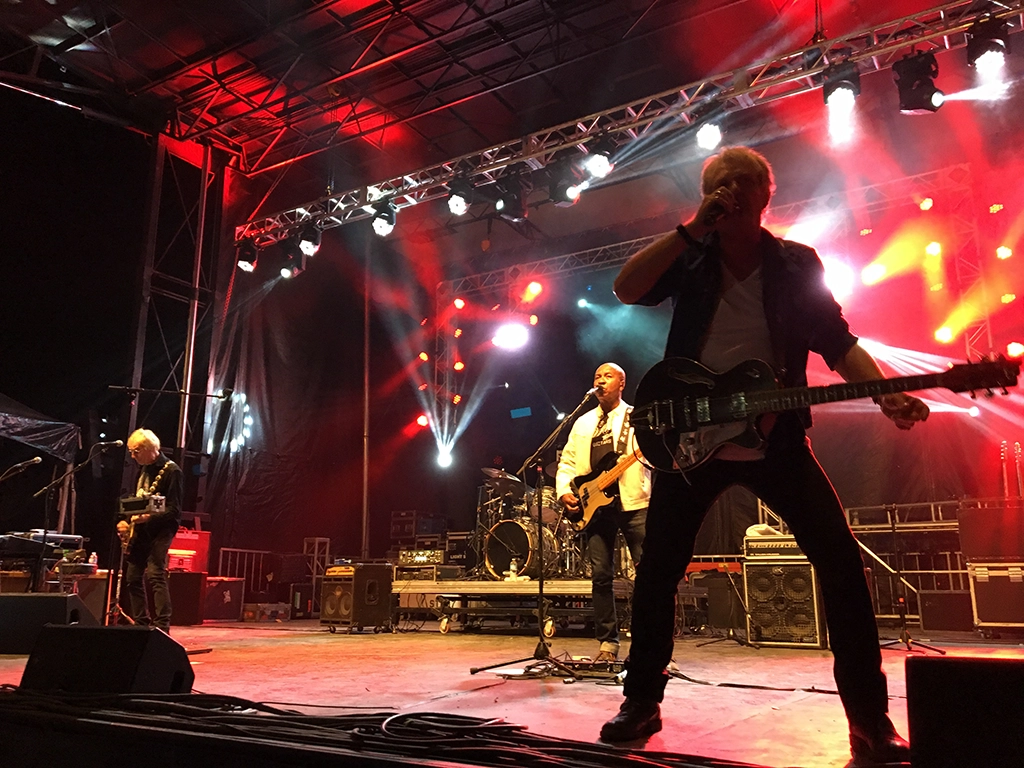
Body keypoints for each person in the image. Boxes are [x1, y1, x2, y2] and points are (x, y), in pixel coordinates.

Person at [601, 147, 929, 766]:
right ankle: (641, 698)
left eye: (741, 180)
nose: (729, 188)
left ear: (763, 194)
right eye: (717, 182)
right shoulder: (692, 257)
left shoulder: (795, 264)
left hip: (776, 440)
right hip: (692, 441)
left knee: (840, 566)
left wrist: (886, 393)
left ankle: (868, 719)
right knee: (658, 574)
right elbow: (625, 287)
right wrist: (691, 230)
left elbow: (838, 340)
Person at [556, 363, 651, 663]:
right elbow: (567, 463)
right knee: (600, 577)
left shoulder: (636, 416)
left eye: (607, 376)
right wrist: (564, 492)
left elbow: (652, 451)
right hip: (595, 508)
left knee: (648, 576)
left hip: (634, 503)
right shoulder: (582, 422)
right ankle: (607, 645)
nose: (600, 380)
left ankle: (652, 646)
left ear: (622, 383)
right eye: (596, 376)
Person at [118, 428, 183, 631]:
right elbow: (138, 501)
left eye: (135, 451)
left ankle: (162, 626)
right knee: (132, 577)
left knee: (156, 573)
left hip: (162, 529)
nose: (132, 456)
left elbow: (174, 510)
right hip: (142, 529)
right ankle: (141, 623)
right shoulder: (144, 469)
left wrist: (149, 516)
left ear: (148, 449)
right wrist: (125, 520)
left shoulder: (172, 471)